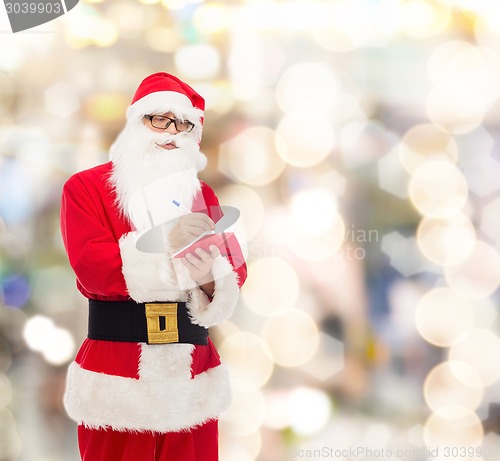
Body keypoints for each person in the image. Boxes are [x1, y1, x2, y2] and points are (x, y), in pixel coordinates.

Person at [60, 72, 247, 461]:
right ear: (136, 123)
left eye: (183, 123)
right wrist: (168, 247)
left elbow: (234, 271)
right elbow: (93, 268)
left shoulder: (203, 194)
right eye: (159, 118)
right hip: (117, 378)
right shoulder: (85, 189)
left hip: (192, 378)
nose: (171, 132)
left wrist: (209, 280)